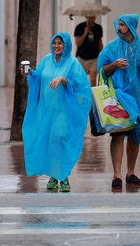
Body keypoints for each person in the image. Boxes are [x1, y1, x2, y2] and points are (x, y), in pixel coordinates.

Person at [97, 13, 140, 190]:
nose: (119, 28)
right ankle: (117, 175)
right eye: (118, 25)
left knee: (135, 135)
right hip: (119, 98)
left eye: (122, 25)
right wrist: (114, 65)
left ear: (132, 26)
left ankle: (131, 172)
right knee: (118, 133)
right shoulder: (111, 48)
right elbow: (101, 70)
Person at [22, 32, 91, 192]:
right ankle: (54, 176)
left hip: (64, 110)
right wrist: (29, 73)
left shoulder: (73, 63)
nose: (56, 46)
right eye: (54, 43)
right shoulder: (47, 60)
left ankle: (64, 175)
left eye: (60, 43)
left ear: (66, 45)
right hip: (46, 109)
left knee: (60, 138)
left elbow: (81, 86)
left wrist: (63, 79)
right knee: (50, 141)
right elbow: (38, 77)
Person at [74, 15, 104, 86]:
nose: (91, 19)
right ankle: (81, 95)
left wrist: (102, 54)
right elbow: (78, 43)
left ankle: (93, 96)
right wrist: (85, 33)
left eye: (93, 16)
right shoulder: (79, 27)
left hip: (94, 58)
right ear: (86, 16)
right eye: (90, 17)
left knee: (93, 79)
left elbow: (100, 43)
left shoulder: (98, 28)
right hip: (82, 57)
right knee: (80, 79)